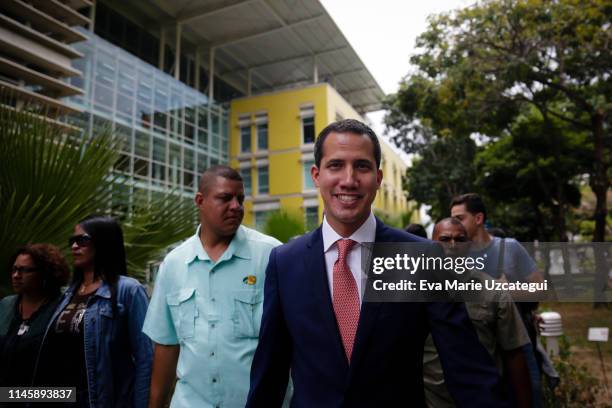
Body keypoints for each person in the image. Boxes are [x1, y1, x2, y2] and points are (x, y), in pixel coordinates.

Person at [247, 119, 509, 407]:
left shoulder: (424, 258)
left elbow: (467, 369)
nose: (349, 179)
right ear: (316, 175)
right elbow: (269, 374)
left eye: (362, 166)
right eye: (336, 165)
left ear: (379, 177)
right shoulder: (285, 262)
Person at [143, 165, 285, 408]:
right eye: (224, 198)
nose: (236, 206)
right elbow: (166, 347)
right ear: (200, 200)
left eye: (240, 198)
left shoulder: (272, 256)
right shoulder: (174, 264)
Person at [33, 216, 152, 407]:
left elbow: (146, 359)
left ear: (103, 242)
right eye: (72, 240)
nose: (74, 246)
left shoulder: (129, 290)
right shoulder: (67, 295)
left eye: (82, 240)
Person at [423, 218, 532, 408]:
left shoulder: (493, 292)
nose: (453, 245)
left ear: (469, 246)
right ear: (432, 245)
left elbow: (514, 353)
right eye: (445, 239)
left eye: (460, 239)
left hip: (484, 398)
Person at [450, 193, 544, 407]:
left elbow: (540, 289)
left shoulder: (509, 247)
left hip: (516, 339)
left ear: (479, 218)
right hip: (479, 344)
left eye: (460, 218)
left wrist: (506, 290)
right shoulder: (457, 253)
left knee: (530, 394)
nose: (456, 225)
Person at [0, 244, 70, 387]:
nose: (16, 275)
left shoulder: (63, 308)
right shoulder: (5, 305)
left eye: (25, 270)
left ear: (45, 273)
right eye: (14, 269)